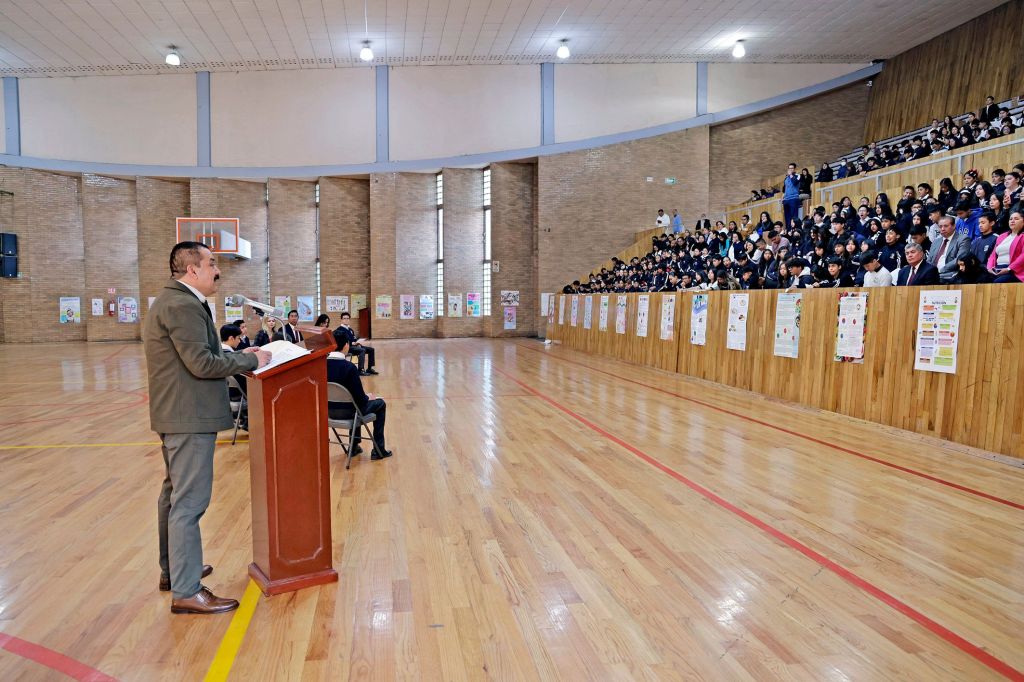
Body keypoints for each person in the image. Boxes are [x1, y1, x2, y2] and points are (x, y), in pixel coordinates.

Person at [144, 242, 270, 615]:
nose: (217, 270)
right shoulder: (182, 305)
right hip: (188, 416)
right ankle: (187, 590)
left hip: (178, 414)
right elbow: (201, 364)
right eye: (212, 263)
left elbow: (203, 356)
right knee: (189, 502)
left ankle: (175, 571)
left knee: (174, 495)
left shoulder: (176, 301)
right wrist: (252, 360)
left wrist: (240, 357)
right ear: (192, 269)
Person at [327, 339, 392, 460]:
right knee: (380, 404)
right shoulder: (349, 367)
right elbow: (360, 399)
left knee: (353, 403)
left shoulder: (322, 365)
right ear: (346, 345)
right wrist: (368, 397)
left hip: (329, 412)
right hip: (349, 412)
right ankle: (379, 450)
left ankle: (354, 447)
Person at [928, 215, 972, 283]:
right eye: (940, 226)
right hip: (933, 275)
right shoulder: (936, 241)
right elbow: (929, 260)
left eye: (945, 226)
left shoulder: (963, 239)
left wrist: (940, 270)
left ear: (954, 226)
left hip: (951, 274)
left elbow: (960, 259)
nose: (942, 229)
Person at [334, 311, 378, 376]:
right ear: (341, 320)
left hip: (354, 346)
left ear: (349, 320)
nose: (346, 320)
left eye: (347, 318)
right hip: (347, 347)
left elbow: (354, 339)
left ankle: (369, 368)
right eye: (344, 318)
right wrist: (352, 343)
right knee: (362, 350)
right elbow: (341, 341)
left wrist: (358, 343)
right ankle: (360, 370)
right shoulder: (339, 329)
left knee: (371, 349)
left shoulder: (350, 329)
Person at [987, 209, 1024, 283]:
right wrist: (990, 268)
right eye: (1010, 219)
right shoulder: (1002, 236)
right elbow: (993, 255)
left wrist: (1009, 268)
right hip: (997, 269)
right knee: (982, 280)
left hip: (1015, 271)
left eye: (1016, 219)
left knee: (997, 282)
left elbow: (1023, 256)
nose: (1012, 221)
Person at [782, 162, 802, 229]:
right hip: (786, 199)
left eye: (792, 168)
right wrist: (783, 197)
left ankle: (795, 230)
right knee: (787, 217)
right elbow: (785, 189)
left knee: (794, 216)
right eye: (789, 168)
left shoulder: (798, 176)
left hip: (793, 198)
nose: (790, 169)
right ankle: (788, 231)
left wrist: (791, 175)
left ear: (795, 169)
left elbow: (795, 182)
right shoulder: (786, 178)